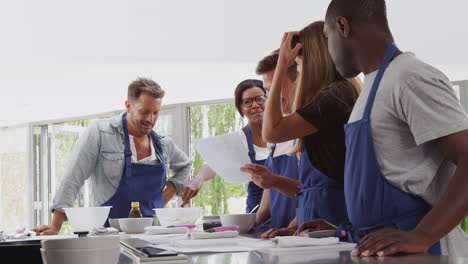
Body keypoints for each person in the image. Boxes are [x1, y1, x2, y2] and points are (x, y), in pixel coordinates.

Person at [299, 0, 468, 257]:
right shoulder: (372, 86)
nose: (329, 52)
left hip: (422, 251)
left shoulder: (409, 76)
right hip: (380, 249)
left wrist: (423, 235)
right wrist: (342, 229)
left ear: (342, 26)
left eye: (327, 37)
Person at [242, 21, 361, 238]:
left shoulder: (337, 94)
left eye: (297, 63)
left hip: (333, 219)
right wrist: (294, 225)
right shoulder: (324, 102)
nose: (298, 70)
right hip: (314, 222)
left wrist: (280, 66)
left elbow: (272, 131)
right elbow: (309, 190)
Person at [33, 77, 192, 235]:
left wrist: (164, 197)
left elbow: (185, 166)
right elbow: (73, 178)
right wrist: (55, 225)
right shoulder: (100, 132)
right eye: (144, 112)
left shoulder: (163, 144)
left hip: (153, 234)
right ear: (128, 106)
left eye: (156, 113)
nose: (150, 119)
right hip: (108, 234)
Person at [182, 79, 270, 214]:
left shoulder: (285, 136)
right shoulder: (238, 140)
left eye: (260, 99)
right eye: (247, 102)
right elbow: (213, 164)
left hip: (291, 207)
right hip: (257, 212)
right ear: (240, 108)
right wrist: (197, 180)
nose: (255, 105)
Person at [248, 50, 300, 231]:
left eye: (275, 87)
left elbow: (314, 193)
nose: (271, 98)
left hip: (305, 236)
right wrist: (247, 227)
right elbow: (267, 202)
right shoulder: (275, 139)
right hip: (279, 236)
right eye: (268, 91)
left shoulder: (307, 130)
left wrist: (293, 227)